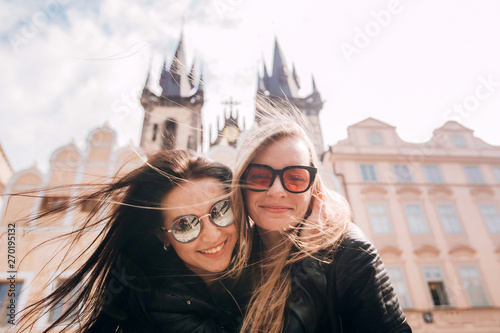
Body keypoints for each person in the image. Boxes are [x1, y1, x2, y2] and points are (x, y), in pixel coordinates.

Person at [230, 101, 412, 333]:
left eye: (295, 177)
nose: (276, 191)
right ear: (241, 185)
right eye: (259, 176)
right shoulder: (232, 256)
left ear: (313, 188)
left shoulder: (350, 254)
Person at [18, 150, 243, 332]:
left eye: (221, 210)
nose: (212, 235)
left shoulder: (262, 256)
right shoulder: (161, 307)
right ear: (162, 234)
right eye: (184, 225)